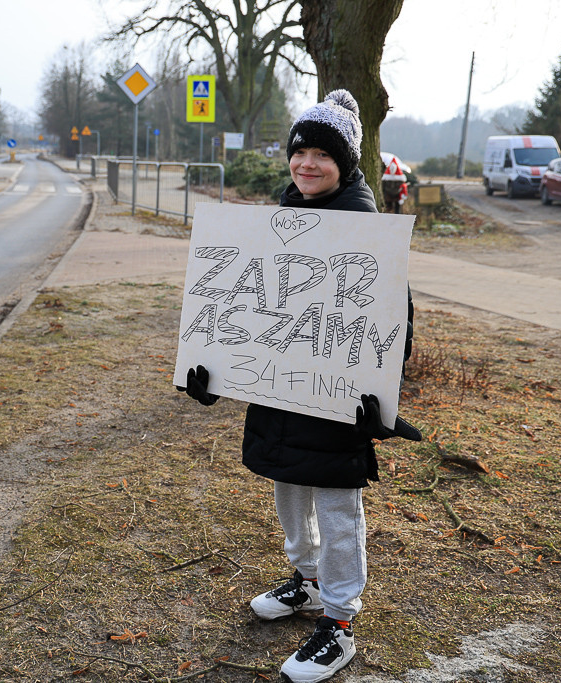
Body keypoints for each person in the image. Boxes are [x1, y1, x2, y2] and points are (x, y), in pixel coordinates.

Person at [178, 89, 422, 683]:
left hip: (338, 403)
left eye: (322, 154)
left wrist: (378, 395)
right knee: (289, 488)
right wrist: (212, 370)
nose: (306, 164)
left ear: (346, 164)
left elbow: (397, 322)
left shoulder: (365, 230)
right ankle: (307, 582)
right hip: (280, 395)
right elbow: (242, 308)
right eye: (299, 152)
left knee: (337, 506)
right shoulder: (274, 222)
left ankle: (339, 623)